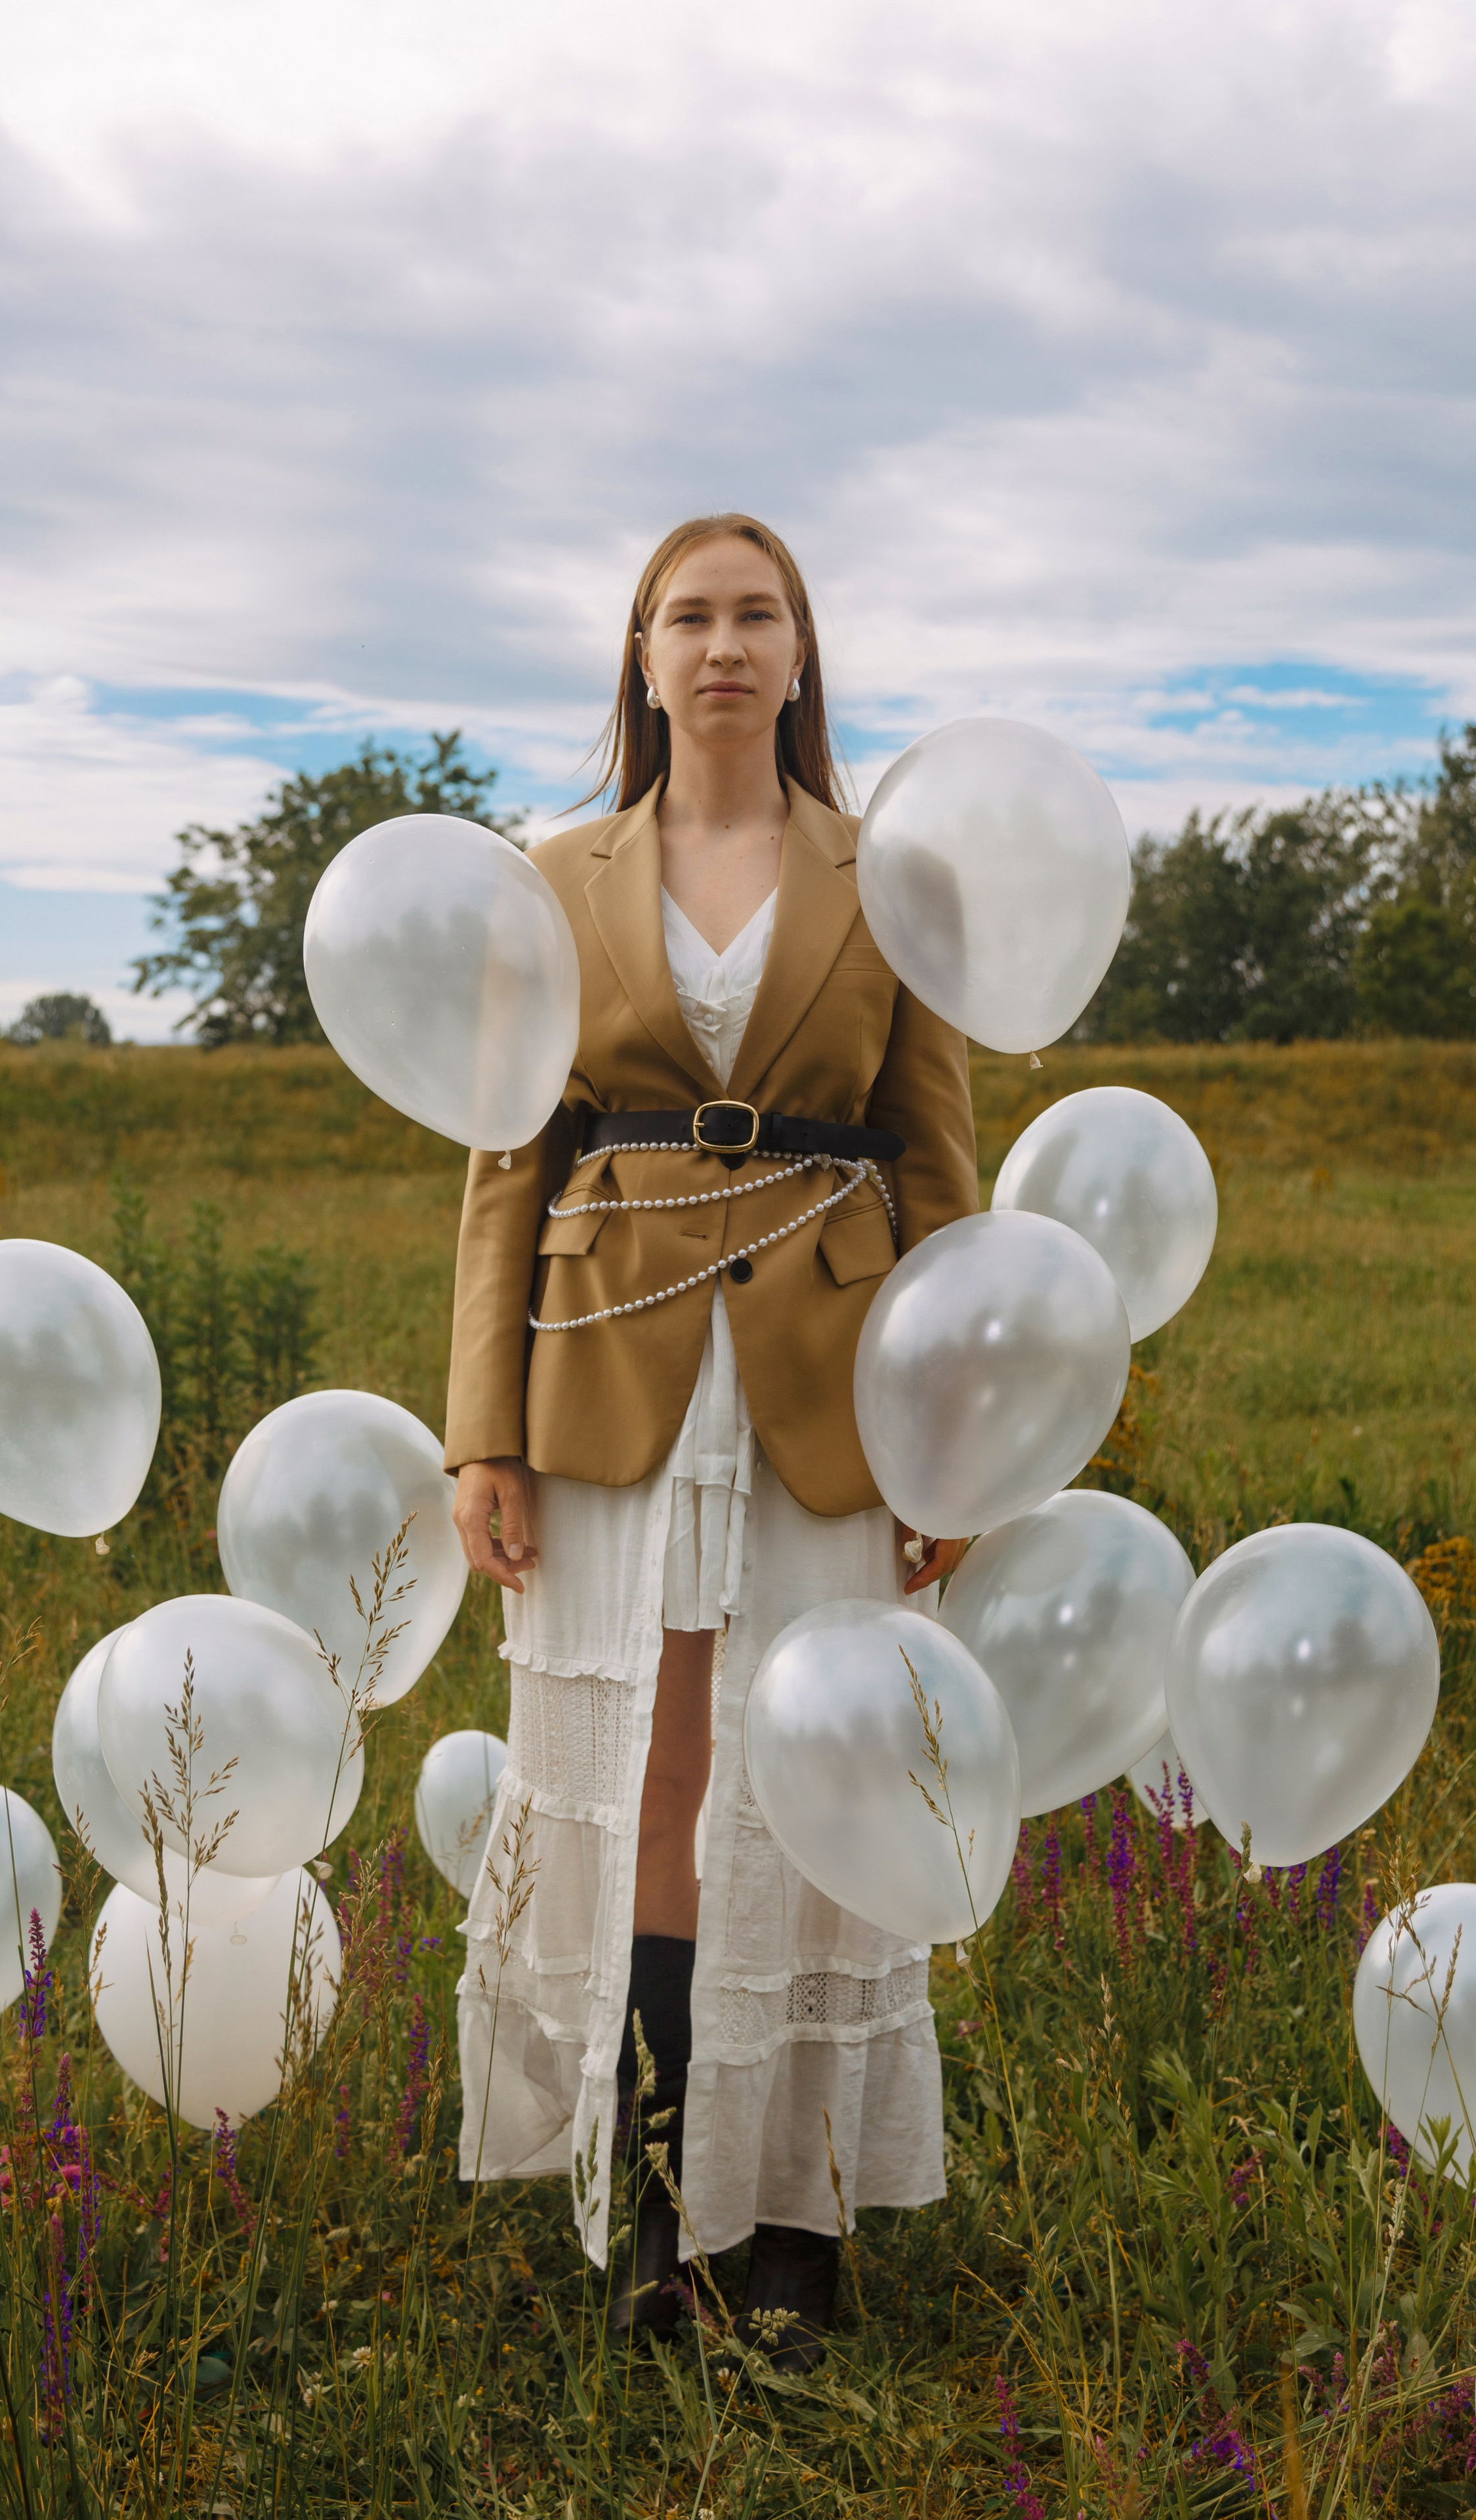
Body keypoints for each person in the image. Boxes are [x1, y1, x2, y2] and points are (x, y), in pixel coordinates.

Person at [445, 513, 977, 2368]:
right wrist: (476, 1436)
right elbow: (508, 1165)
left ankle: (801, 2229)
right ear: (645, 659)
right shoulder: (555, 872)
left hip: (834, 1376)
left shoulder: (890, 870)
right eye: (692, 616)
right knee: (660, 1777)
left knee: (812, 1766)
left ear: (803, 656)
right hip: (608, 1367)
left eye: (759, 613)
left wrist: (959, 1445)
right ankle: (660, 2211)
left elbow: (939, 1167)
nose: (726, 643)